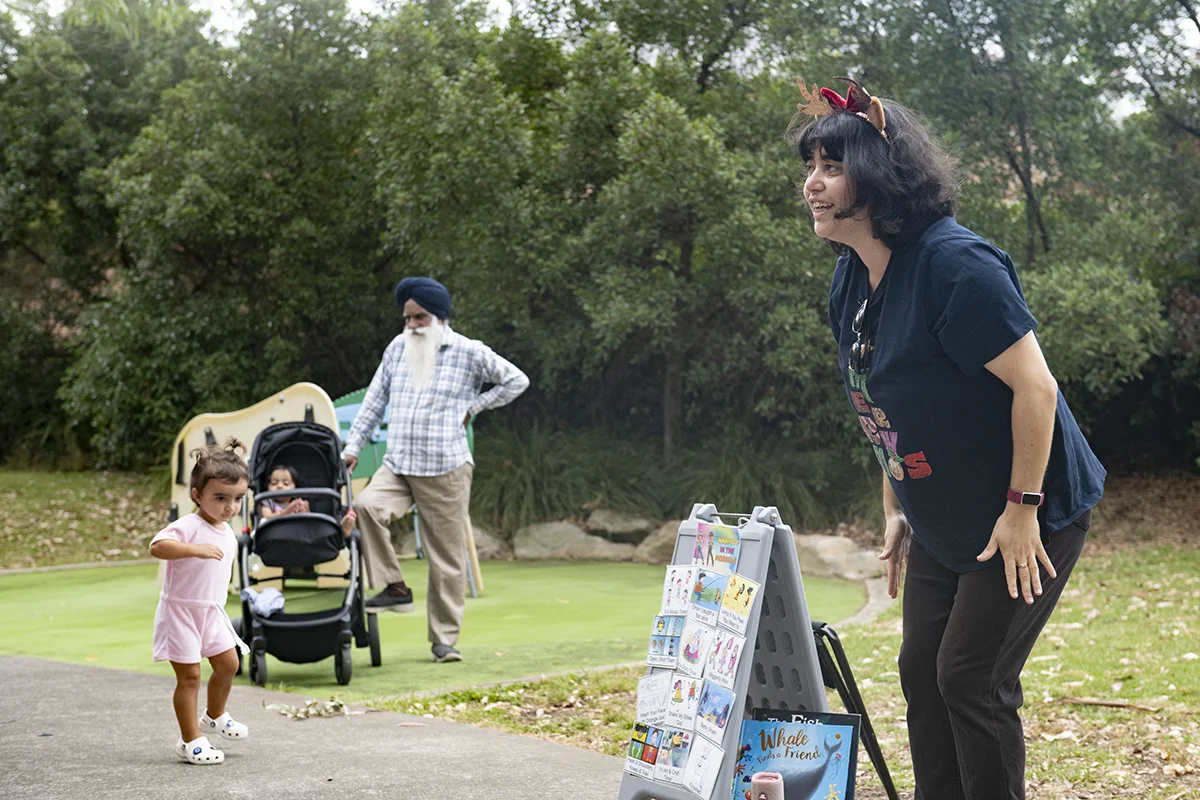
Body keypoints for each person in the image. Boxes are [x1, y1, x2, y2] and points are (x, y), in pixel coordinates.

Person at [793, 77, 1106, 800]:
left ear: (881, 176)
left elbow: (1036, 389)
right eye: (810, 166)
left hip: (1027, 510)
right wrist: (900, 505)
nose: (812, 184)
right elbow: (883, 402)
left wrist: (1023, 509)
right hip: (942, 517)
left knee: (970, 677)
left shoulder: (954, 266)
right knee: (921, 672)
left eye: (832, 167)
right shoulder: (851, 280)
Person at [342, 276, 529, 663]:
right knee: (366, 507)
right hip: (398, 463)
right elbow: (374, 399)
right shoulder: (397, 348)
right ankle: (395, 587)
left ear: (439, 317)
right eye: (407, 318)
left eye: (419, 318)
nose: (411, 325)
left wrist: (474, 407)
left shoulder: (469, 351)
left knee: (446, 558)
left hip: (445, 468)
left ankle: (444, 641)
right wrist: (353, 446)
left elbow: (516, 380)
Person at [149, 439, 253, 765]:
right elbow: (158, 546)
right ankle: (190, 739)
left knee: (229, 665)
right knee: (190, 677)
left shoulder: (227, 529)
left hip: (212, 613)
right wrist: (194, 549)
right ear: (197, 495)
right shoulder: (189, 526)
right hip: (181, 613)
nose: (230, 507)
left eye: (237, 499)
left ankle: (215, 715)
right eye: (220, 498)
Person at [258, 463, 357, 538]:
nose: (279, 486)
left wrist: (305, 511)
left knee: (313, 523)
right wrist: (287, 511)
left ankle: (341, 531)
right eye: (274, 483)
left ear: (296, 488)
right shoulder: (267, 502)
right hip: (275, 533)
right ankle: (340, 533)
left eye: (286, 483)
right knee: (263, 522)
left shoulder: (297, 503)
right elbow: (267, 516)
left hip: (299, 533)